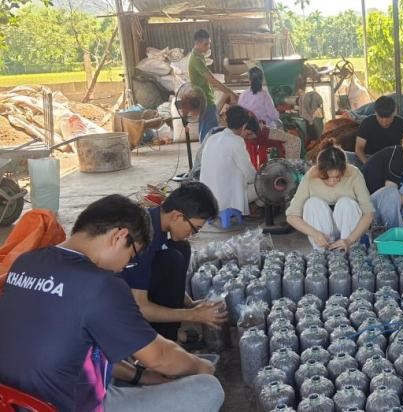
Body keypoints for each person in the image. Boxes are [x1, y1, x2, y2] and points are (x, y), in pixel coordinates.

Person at [0, 195, 224, 412]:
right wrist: (200, 366)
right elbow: (160, 357)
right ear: (119, 237)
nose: (123, 267)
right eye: (131, 258)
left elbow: (80, 350)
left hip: (12, 401)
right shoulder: (100, 284)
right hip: (69, 405)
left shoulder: (25, 262)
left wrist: (142, 377)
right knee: (208, 389)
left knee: (116, 344)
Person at [121, 182, 225, 345]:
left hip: (135, 287)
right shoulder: (142, 238)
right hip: (119, 303)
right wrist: (192, 315)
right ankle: (165, 338)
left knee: (181, 248)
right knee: (172, 260)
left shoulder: (156, 222)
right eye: (195, 228)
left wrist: (189, 304)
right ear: (177, 216)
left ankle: (170, 330)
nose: (192, 234)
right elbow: (140, 307)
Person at [286, 139, 374, 250]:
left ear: (343, 170)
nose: (332, 181)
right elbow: (291, 216)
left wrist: (349, 240)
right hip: (324, 232)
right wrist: (314, 233)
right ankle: (322, 251)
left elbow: (369, 213)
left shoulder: (354, 174)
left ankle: (349, 250)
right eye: (326, 178)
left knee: (346, 203)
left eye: (337, 177)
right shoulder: (311, 176)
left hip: (350, 232)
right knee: (312, 203)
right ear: (319, 171)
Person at [200, 105, 260, 217]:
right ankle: (256, 209)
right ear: (244, 125)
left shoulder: (212, 138)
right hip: (226, 201)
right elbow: (251, 176)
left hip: (207, 199)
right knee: (264, 184)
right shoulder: (237, 142)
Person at [188, 29, 238, 143]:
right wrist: (231, 93)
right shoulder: (196, 59)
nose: (208, 47)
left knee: (206, 132)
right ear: (197, 43)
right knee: (210, 135)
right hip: (205, 100)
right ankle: (207, 153)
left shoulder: (199, 57)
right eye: (206, 44)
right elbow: (213, 81)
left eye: (209, 43)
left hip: (204, 99)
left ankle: (205, 152)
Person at [352, 95, 403, 167]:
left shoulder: (401, 124)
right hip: (370, 158)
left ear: (394, 112)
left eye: (388, 117)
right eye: (380, 117)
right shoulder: (367, 123)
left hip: (393, 160)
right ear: (375, 112)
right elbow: (359, 148)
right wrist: (368, 164)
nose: (384, 121)